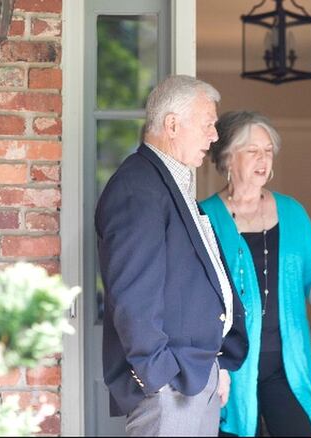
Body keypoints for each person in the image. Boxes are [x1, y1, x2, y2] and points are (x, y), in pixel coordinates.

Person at [95, 75, 248, 436]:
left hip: (193, 375)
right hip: (172, 385)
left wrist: (216, 364)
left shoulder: (170, 183)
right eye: (208, 124)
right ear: (173, 125)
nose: (214, 136)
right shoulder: (137, 187)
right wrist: (159, 376)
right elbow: (133, 295)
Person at [199, 110, 311, 437]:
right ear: (227, 158)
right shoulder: (205, 217)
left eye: (268, 150)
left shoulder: (292, 211)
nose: (263, 159)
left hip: (286, 364)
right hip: (228, 366)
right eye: (252, 151)